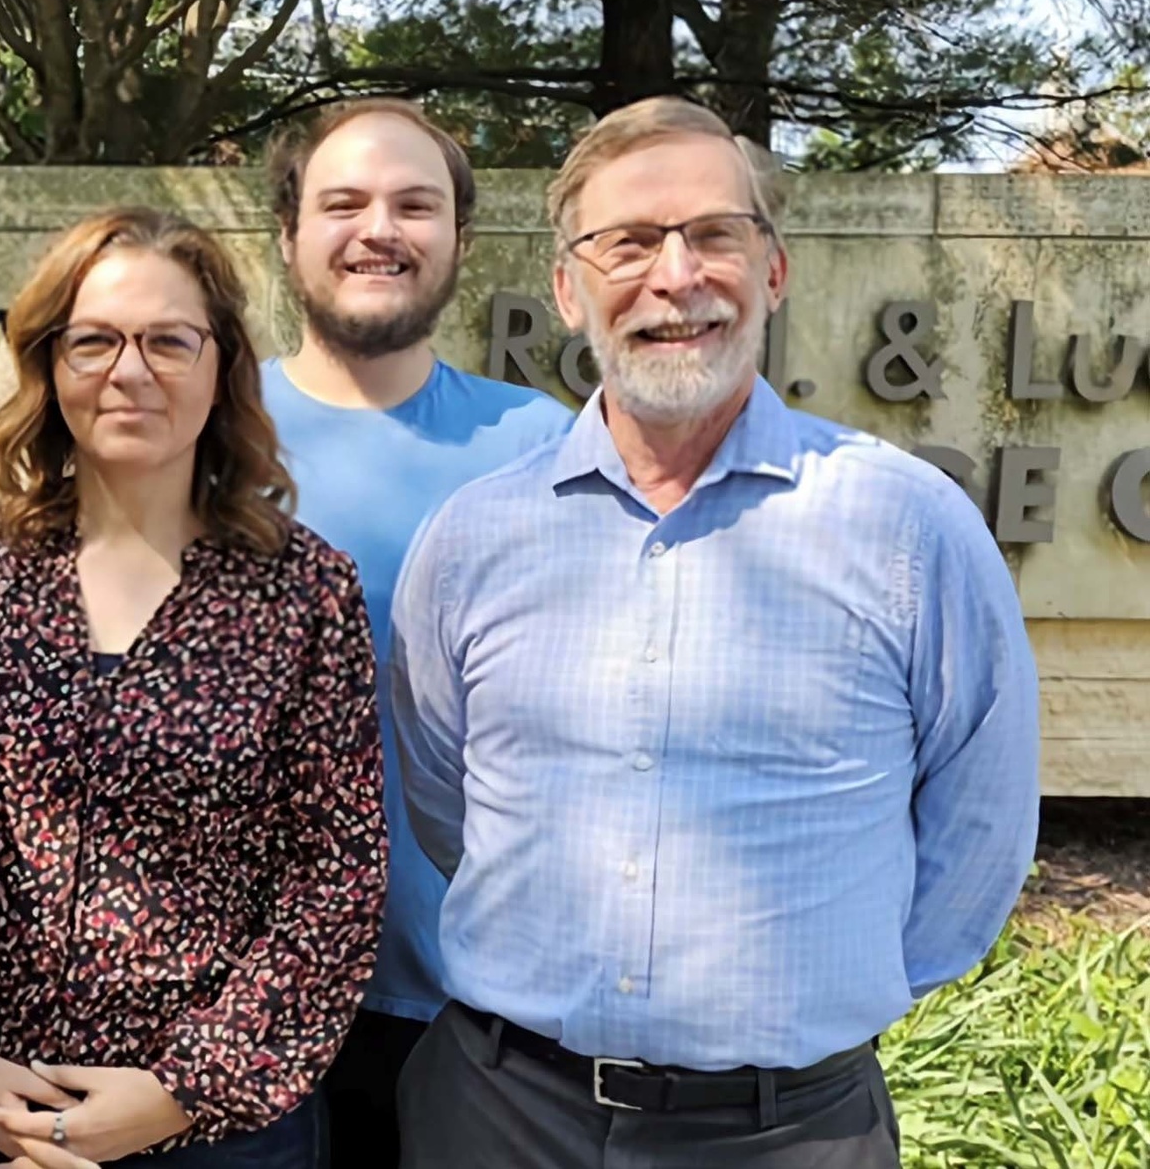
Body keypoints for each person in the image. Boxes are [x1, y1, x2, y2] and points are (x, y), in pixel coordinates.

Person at [390, 96, 1041, 1169]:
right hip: (499, 1119)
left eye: (715, 234)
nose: (675, 274)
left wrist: (800, 1017)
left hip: (789, 1134)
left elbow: (978, 839)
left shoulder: (909, 529)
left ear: (773, 269)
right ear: (568, 289)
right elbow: (446, 803)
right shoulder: (473, 539)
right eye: (628, 243)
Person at [0, 207, 385, 1169]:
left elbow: (335, 879)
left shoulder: (302, 590)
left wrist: (179, 1093)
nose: (131, 371)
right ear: (48, 364)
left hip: (218, 1130)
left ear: (220, 366)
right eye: (95, 342)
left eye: (169, 341)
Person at [256, 98, 575, 1168]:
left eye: (415, 204)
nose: (377, 228)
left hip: (467, 1006)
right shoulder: (200, 431)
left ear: (460, 241)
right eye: (342, 202)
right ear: (289, 232)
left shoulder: (543, 451)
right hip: (227, 1002)